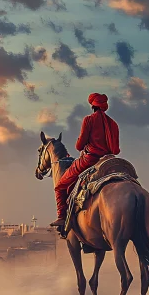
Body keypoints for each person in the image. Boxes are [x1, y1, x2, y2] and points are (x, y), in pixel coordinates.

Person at [50, 92, 120, 227]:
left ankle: (62, 217)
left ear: (92, 106)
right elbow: (116, 149)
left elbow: (79, 146)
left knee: (60, 186)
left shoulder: (89, 120)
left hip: (90, 160)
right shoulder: (114, 124)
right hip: (110, 160)